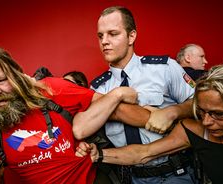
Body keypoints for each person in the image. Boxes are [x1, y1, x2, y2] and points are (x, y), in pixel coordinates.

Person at [0, 45, 155, 183]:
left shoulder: (53, 90)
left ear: (16, 76)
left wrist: (155, 119)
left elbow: (117, 110)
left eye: (1, 80)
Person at [84, 53, 223, 184]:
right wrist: (98, 154)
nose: (206, 122)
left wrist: (171, 112)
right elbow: (143, 153)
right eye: (201, 112)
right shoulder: (193, 131)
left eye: (218, 114)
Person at [74, 6, 196, 184]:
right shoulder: (98, 88)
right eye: (100, 36)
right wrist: (118, 93)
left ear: (132, 36)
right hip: (131, 178)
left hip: (174, 173)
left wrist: (173, 112)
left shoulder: (164, 68)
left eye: (113, 34)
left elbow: (199, 103)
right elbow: (80, 129)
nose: (104, 41)